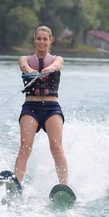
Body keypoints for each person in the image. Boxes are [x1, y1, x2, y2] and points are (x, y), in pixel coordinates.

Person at [15, 26, 68, 187]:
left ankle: (64, 186)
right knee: (25, 146)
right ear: (35, 40)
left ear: (50, 41)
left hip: (52, 108)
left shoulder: (57, 59)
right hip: (31, 107)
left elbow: (58, 65)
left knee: (57, 148)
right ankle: (17, 184)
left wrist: (49, 69)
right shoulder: (24, 59)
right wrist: (31, 71)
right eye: (39, 38)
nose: (42, 42)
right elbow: (24, 66)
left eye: (45, 39)